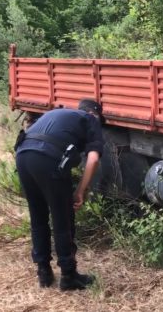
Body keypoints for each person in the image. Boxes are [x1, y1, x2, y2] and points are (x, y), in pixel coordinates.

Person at [15, 99, 105, 290]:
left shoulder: (56, 114)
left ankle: (44, 272)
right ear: (94, 113)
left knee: (38, 215)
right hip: (48, 160)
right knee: (62, 218)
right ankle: (68, 275)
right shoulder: (91, 119)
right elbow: (94, 159)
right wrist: (81, 190)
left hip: (23, 156)